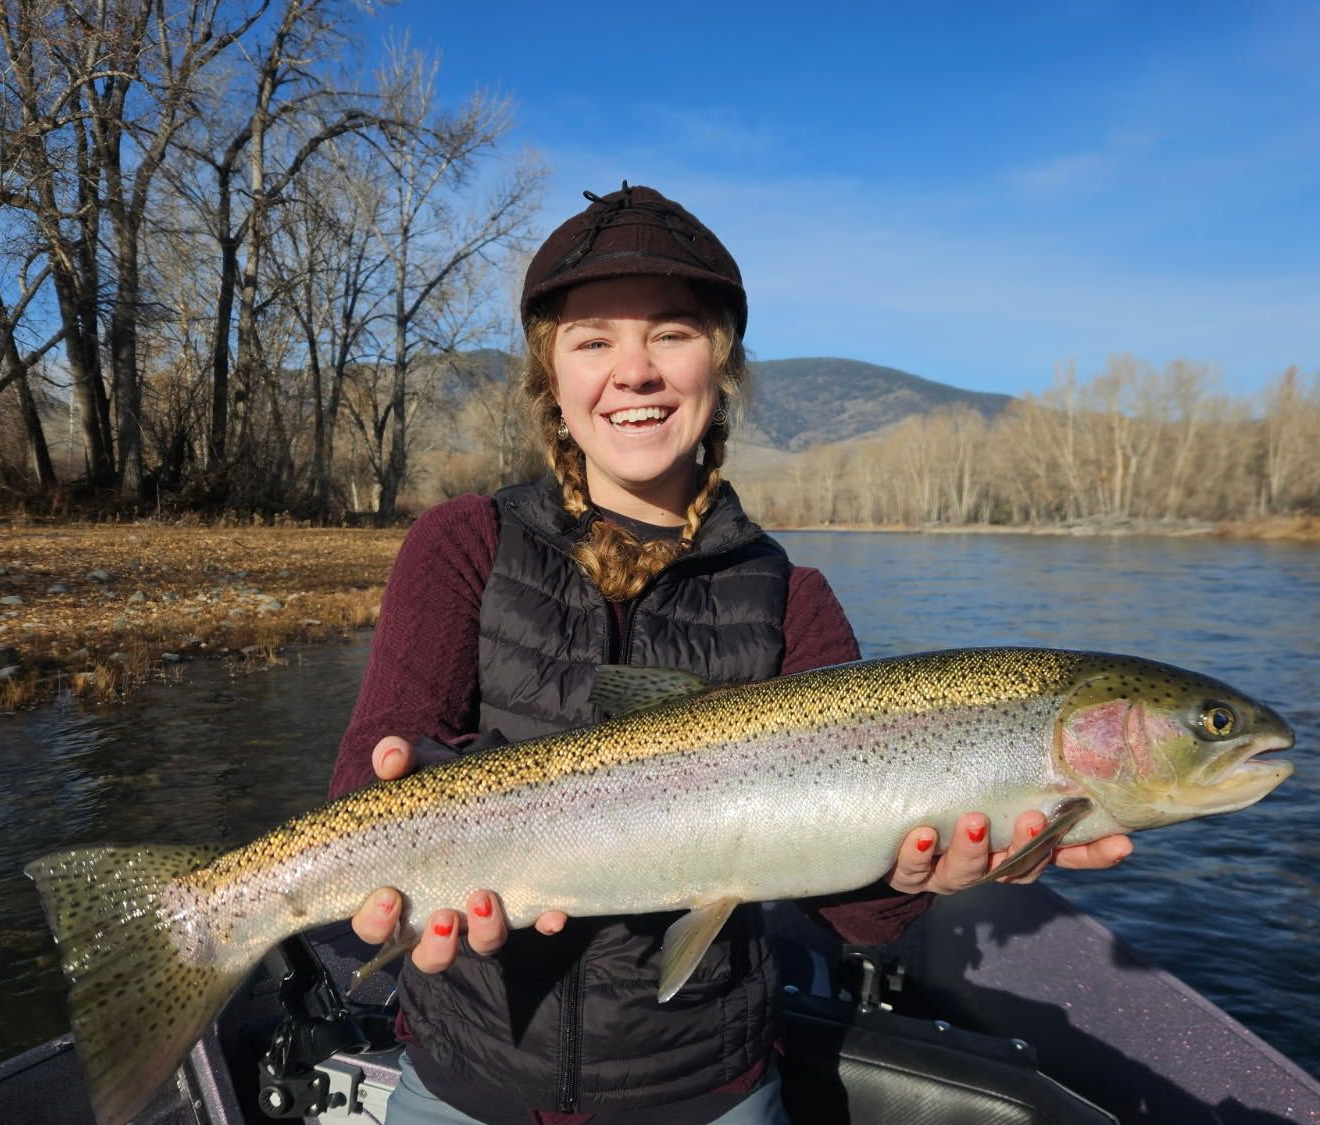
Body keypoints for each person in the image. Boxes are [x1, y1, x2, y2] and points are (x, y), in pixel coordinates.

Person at [328, 182, 1133, 1125]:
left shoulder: (795, 601)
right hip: (467, 1074)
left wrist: (921, 876)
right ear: (552, 377)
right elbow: (363, 790)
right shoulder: (463, 542)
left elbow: (855, 915)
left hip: (710, 1089)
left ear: (724, 366)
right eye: (593, 340)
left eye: (672, 333)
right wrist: (444, 809)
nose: (634, 371)